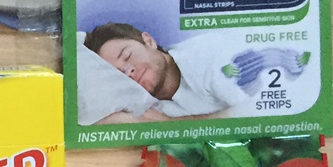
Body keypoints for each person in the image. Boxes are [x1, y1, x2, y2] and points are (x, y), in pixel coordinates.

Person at [83, 22, 246, 120]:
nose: (128, 71)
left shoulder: (205, 55)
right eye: (118, 74)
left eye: (127, 55)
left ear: (149, 41)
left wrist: (170, 125)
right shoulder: (147, 109)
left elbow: (253, 113)